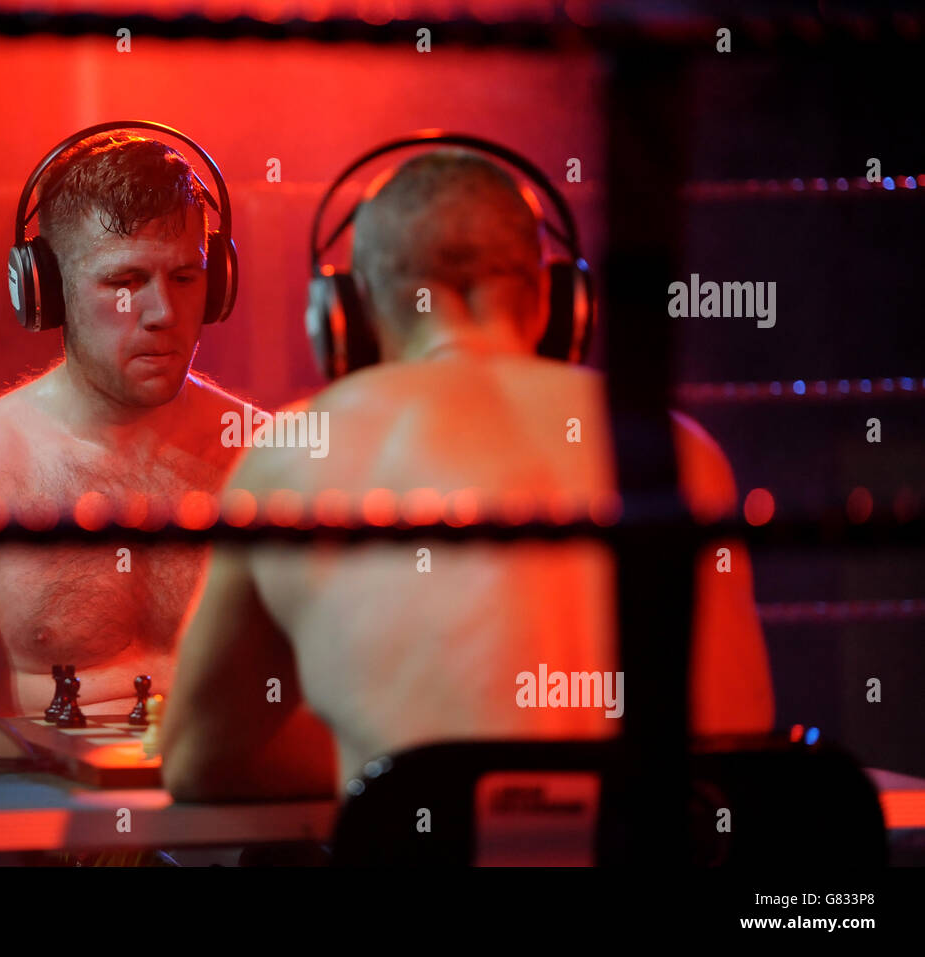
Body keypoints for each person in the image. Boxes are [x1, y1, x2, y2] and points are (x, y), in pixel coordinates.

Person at [161, 149, 775, 801]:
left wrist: (386, 762)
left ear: (349, 314)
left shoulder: (294, 451)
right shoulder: (678, 451)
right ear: (557, 300)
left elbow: (198, 760)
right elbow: (735, 735)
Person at [0, 132, 250, 718]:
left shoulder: (270, 455)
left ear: (218, 282)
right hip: (40, 805)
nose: (163, 314)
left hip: (239, 801)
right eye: (124, 283)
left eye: (184, 277)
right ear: (49, 293)